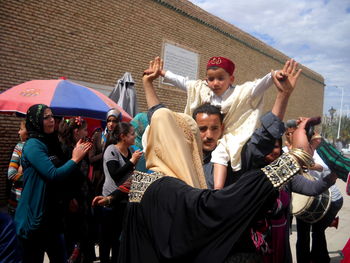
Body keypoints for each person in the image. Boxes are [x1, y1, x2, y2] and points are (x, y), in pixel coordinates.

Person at [116, 58, 317, 263]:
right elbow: (211, 206)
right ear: (177, 143)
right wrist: (296, 157)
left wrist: (282, 96)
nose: (205, 136)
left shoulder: (144, 180)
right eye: (196, 131)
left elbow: (160, 122)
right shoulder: (169, 186)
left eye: (213, 129)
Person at [158, 56, 299, 189]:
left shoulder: (239, 93)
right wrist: (162, 73)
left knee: (221, 153)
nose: (215, 83)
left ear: (231, 79)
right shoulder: (202, 90)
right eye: (211, 79)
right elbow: (183, 82)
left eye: (220, 78)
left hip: (232, 137)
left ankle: (217, 190)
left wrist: (276, 78)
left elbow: (257, 86)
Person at [14, 104, 91, 263]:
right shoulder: (33, 145)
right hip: (34, 219)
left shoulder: (52, 142)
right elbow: (53, 174)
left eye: (52, 117)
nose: (51, 120)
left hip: (53, 218)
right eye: (46, 117)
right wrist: (75, 159)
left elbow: (64, 173)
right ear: (35, 121)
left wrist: (70, 197)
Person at [295, 135, 344, 263]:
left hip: (331, 200)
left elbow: (328, 171)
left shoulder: (320, 156)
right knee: (303, 234)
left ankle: (320, 259)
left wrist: (313, 166)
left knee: (317, 231)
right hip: (308, 200)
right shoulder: (290, 152)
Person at [99, 122, 142, 263]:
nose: (134, 136)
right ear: (123, 137)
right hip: (110, 199)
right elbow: (115, 175)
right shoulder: (112, 150)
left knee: (119, 237)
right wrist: (132, 162)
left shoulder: (130, 151)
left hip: (124, 199)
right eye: (132, 134)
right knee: (107, 239)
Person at [58, 116, 96, 263]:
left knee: (83, 238)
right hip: (73, 201)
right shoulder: (66, 150)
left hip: (83, 198)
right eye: (85, 130)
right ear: (76, 132)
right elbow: (66, 176)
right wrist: (71, 198)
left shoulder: (78, 148)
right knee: (74, 239)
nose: (87, 133)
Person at [89, 108, 121, 196]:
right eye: (109, 121)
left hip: (112, 179)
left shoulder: (120, 139)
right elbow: (91, 159)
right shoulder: (98, 136)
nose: (111, 124)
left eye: (114, 121)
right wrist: (106, 154)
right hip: (97, 177)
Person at [7, 120, 28, 216]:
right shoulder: (20, 147)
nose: (18, 132)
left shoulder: (20, 147)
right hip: (19, 201)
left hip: (20, 203)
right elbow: (12, 174)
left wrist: (23, 172)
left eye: (21, 129)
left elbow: (11, 174)